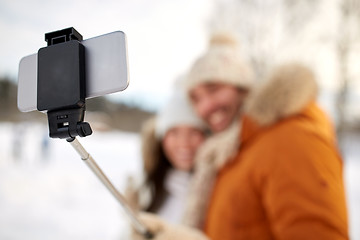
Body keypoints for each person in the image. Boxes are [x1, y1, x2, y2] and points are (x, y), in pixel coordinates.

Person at [133, 63, 349, 239]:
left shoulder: (292, 137)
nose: (205, 107)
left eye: (213, 89)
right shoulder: (233, 153)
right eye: (196, 99)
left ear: (243, 88)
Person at [125, 89, 207, 225]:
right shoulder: (147, 190)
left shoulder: (219, 190)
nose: (184, 143)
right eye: (174, 132)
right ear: (162, 139)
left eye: (194, 131)